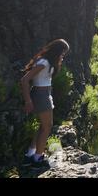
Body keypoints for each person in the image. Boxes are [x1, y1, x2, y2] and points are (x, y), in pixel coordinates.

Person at [20, 39, 70, 169]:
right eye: (63, 52)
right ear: (57, 51)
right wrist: (28, 101)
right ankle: (37, 158)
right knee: (47, 126)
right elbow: (25, 80)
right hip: (41, 95)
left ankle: (30, 154)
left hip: (43, 94)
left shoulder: (46, 61)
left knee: (44, 126)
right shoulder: (44, 62)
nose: (63, 55)